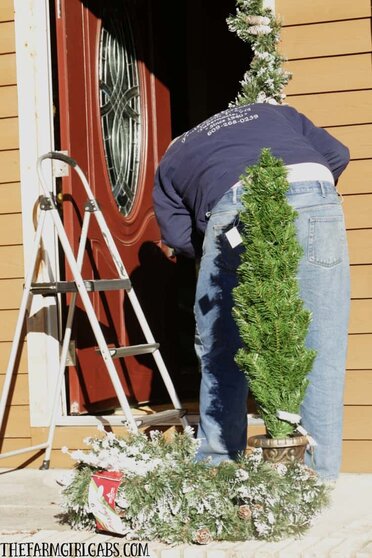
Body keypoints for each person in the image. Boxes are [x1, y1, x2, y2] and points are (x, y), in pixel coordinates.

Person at [152, 102, 350, 481]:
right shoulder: (270, 111)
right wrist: (307, 205)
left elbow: (179, 238)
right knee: (321, 343)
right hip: (317, 195)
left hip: (236, 206)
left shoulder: (173, 157)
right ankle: (317, 480)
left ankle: (219, 465)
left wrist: (216, 252)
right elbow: (338, 154)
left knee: (221, 344)